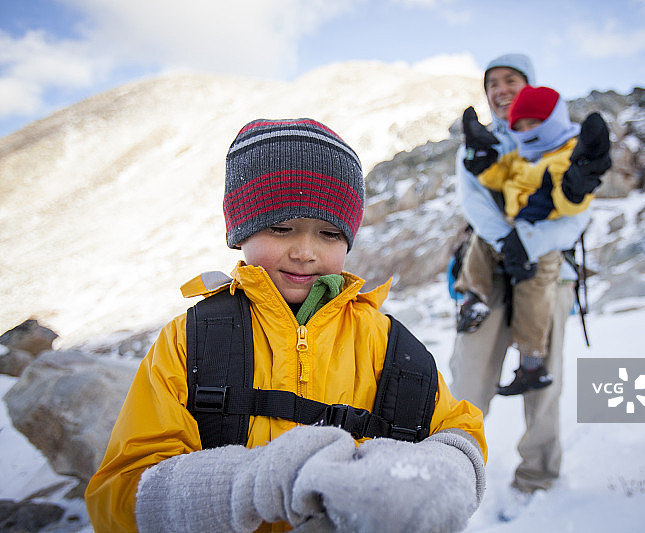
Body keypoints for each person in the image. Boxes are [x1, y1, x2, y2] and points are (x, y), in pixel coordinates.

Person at [85, 118, 487, 533]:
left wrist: (444, 469)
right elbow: (121, 495)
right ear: (240, 229)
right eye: (281, 227)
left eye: (330, 233)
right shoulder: (191, 340)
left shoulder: (389, 344)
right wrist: (248, 485)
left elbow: (458, 431)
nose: (305, 252)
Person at [448, 54, 610, 521]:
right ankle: (453, 463)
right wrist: (508, 244)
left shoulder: (565, 140)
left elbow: (578, 214)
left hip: (546, 272)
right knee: (469, 379)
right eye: (492, 83)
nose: (501, 89)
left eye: (511, 80)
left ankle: (538, 474)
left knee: (543, 379)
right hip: (491, 275)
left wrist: (529, 243)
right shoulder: (475, 146)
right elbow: (475, 205)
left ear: (530, 86)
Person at [455, 84, 606, 396]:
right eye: (520, 126)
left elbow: (571, 208)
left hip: (543, 242)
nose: (526, 131)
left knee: (534, 292)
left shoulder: (567, 155)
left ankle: (532, 363)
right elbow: (499, 177)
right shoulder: (520, 155)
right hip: (509, 232)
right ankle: (473, 299)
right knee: (479, 247)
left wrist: (578, 186)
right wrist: (482, 164)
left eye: (533, 124)